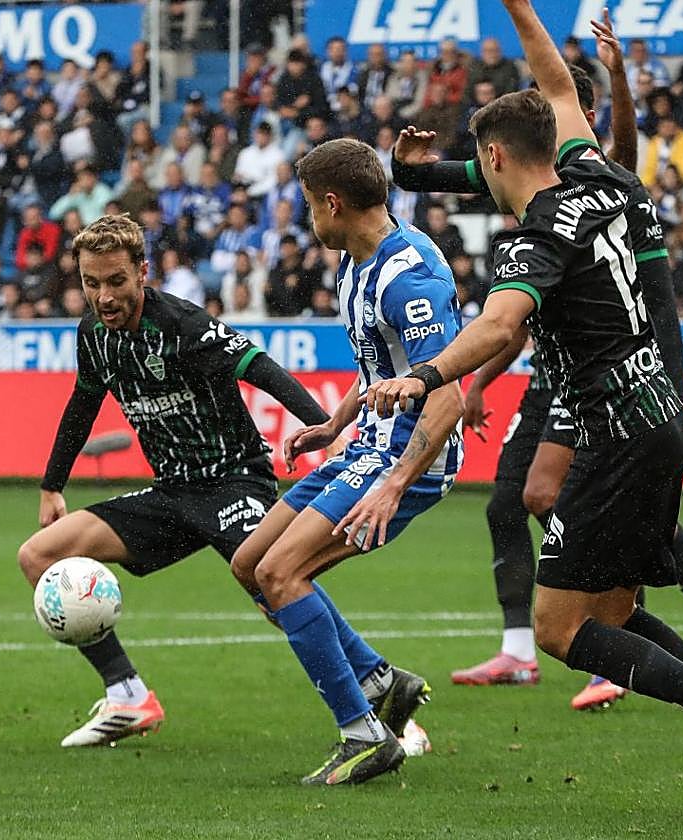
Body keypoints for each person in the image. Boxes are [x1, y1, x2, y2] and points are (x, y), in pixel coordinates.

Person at [363, 0, 683, 814]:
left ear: (494, 154)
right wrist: (521, 9)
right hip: (659, 414)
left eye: (476, 166)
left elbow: (499, 322)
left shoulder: (535, 239)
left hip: (616, 434)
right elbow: (557, 83)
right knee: (618, 608)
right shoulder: (596, 178)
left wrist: (421, 377)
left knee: (561, 629)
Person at [15, 214, 331, 747]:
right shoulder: (94, 335)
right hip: (173, 493)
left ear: (142, 272)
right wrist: (52, 484)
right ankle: (128, 696)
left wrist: (321, 424)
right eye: (92, 283)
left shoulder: (181, 323)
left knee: (277, 587)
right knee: (38, 557)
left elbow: (259, 366)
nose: (104, 296)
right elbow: (82, 404)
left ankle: (380, 697)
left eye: (116, 281)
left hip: (234, 483)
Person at [228, 138, 463, 786]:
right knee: (250, 565)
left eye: (308, 206)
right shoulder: (357, 263)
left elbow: (448, 395)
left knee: (281, 573)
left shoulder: (406, 275)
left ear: (333, 203)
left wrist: (394, 483)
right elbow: (385, 369)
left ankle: (364, 734)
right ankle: (381, 681)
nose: (308, 220)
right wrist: (334, 422)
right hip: (367, 445)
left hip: (411, 457)